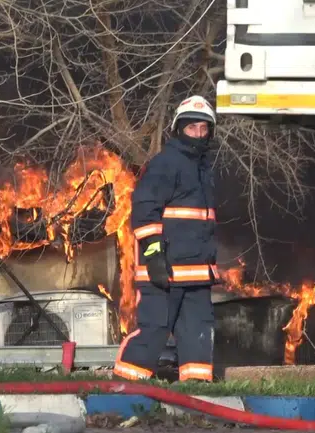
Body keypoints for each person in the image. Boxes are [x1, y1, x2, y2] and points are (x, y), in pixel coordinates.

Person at [114, 95, 220, 383]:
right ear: (178, 129)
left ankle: (197, 389)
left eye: (203, 128)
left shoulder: (203, 169)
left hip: (197, 273)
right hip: (165, 270)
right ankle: (125, 386)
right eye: (192, 128)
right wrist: (154, 256)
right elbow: (145, 211)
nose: (198, 134)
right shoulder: (166, 164)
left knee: (197, 331)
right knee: (155, 329)